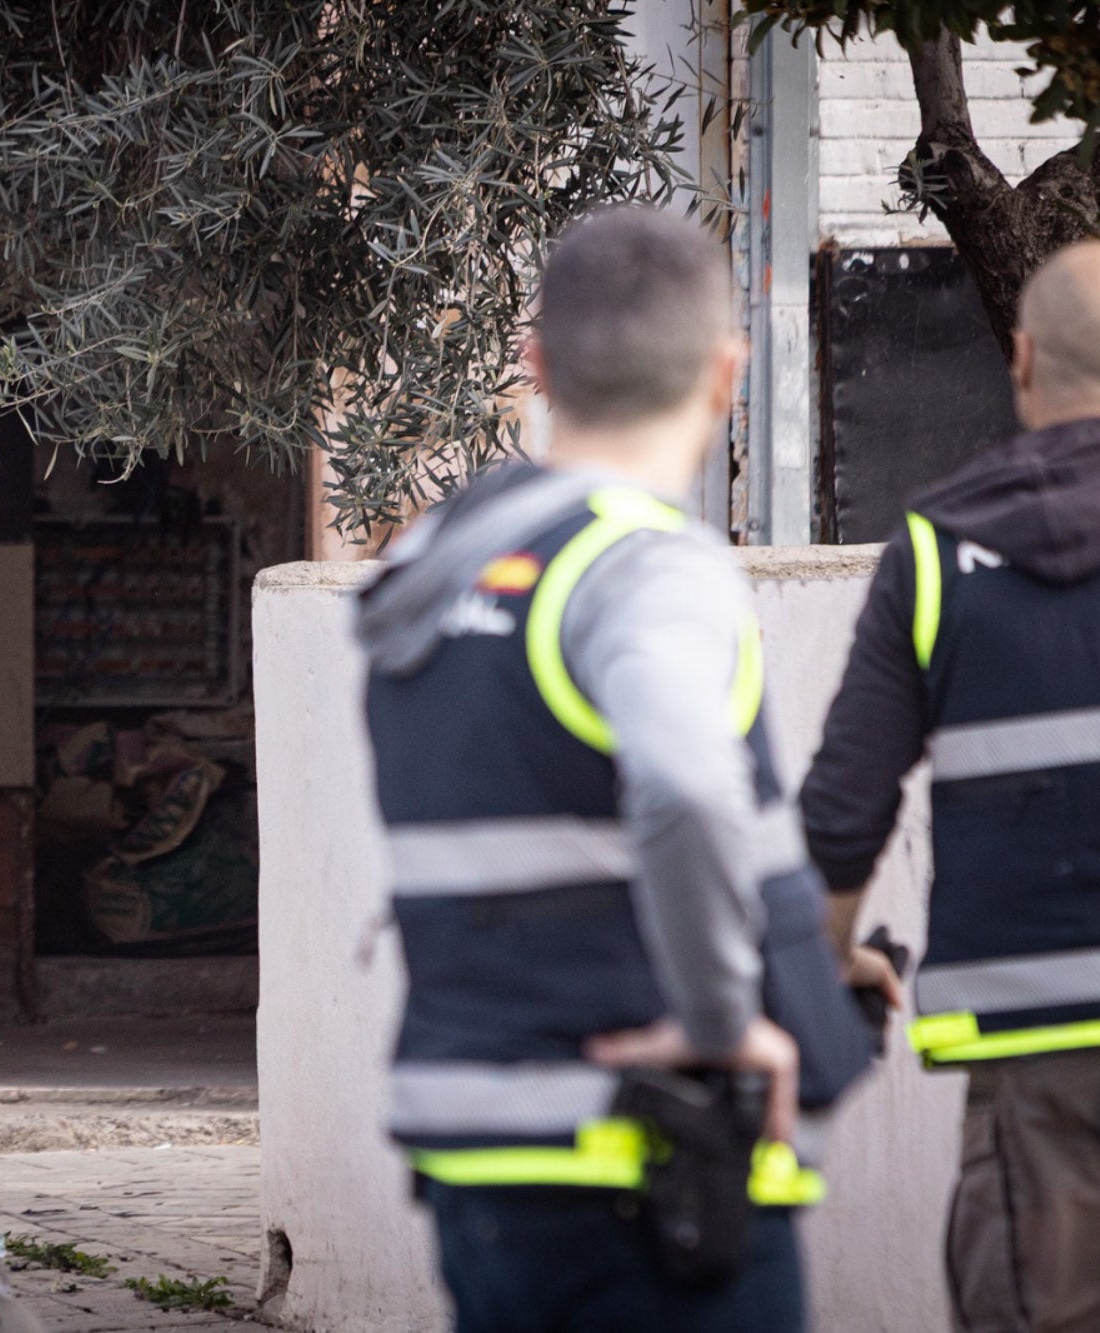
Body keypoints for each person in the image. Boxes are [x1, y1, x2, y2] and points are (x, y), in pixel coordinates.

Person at [357, 207, 875, 1332]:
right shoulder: (641, 565)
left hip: (470, 1143)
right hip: (639, 1159)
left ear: (537, 366)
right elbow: (684, 786)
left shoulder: (433, 572)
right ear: (726, 372)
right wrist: (719, 1013)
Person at [801, 239, 1100, 1333]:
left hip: (1034, 1037)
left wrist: (827, 951)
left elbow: (846, 804)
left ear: (1022, 359)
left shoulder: (934, 552)